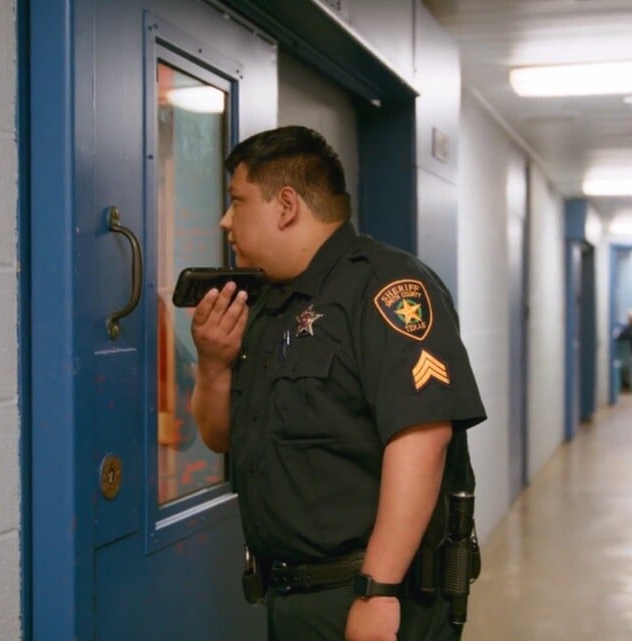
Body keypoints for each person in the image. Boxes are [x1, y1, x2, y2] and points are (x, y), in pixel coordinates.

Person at [189, 126, 486, 641]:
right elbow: (224, 438)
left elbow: (421, 439)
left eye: (237, 202)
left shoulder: (387, 288)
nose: (226, 221)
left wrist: (378, 591)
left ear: (285, 206)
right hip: (289, 599)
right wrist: (214, 366)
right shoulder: (266, 305)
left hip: (367, 596)